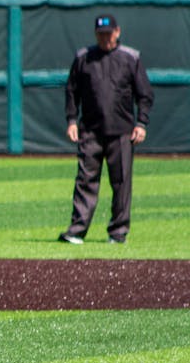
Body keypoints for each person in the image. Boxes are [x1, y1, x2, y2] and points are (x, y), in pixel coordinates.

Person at [58, 13, 153, 245]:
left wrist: (141, 123)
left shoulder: (130, 58)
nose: (105, 38)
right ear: (95, 34)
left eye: (108, 34)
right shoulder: (84, 58)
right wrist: (72, 120)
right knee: (85, 180)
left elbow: (145, 95)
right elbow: (72, 91)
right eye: (101, 34)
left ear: (117, 32)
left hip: (121, 131)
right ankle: (77, 230)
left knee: (121, 182)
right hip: (90, 130)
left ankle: (118, 232)